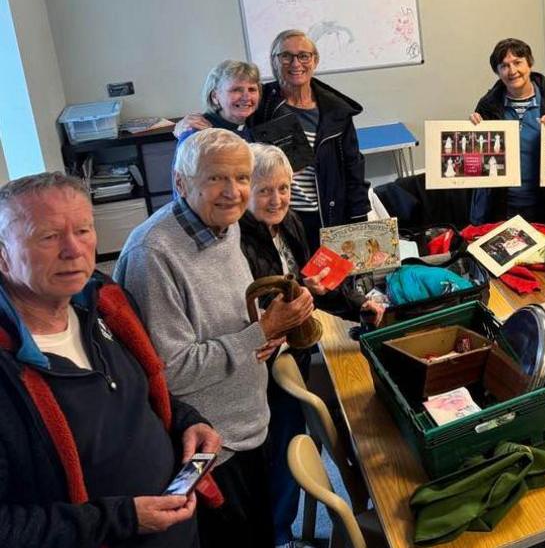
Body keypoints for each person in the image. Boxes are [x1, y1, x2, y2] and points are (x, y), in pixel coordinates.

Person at [115, 129, 316, 548]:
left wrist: (267, 328)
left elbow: (227, 326)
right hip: (210, 448)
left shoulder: (227, 228)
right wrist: (261, 332)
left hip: (251, 427)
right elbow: (170, 374)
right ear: (181, 182)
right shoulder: (152, 254)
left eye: (242, 178)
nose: (233, 192)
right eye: (216, 179)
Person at [0, 172, 222, 548]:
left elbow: (136, 395)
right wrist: (122, 519)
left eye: (84, 231)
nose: (74, 250)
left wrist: (188, 421)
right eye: (49, 236)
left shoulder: (104, 303)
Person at [237, 143, 384, 547]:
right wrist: (303, 291)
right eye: (264, 190)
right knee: (279, 453)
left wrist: (360, 307)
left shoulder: (291, 224)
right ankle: (278, 535)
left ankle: (280, 530)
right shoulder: (237, 245)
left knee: (287, 444)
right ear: (245, 192)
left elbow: (315, 286)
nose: (277, 199)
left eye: (283, 188)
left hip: (294, 351)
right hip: (262, 364)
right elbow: (266, 308)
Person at [249, 29, 371, 250]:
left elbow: (353, 168)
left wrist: (358, 218)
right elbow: (227, 114)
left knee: (329, 281)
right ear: (274, 62)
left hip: (326, 217)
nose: (296, 63)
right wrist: (190, 124)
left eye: (303, 56)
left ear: (315, 60)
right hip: (278, 217)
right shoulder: (261, 105)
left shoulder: (336, 112)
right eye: (286, 56)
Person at [470, 38, 545, 230]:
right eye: (504, 66)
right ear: (497, 71)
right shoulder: (487, 106)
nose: (512, 71)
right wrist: (473, 135)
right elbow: (478, 164)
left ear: (530, 63)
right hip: (502, 205)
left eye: (517, 62)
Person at [174, 59, 262, 144]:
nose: (246, 97)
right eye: (236, 90)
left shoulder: (258, 121)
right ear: (215, 96)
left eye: (252, 89)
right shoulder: (197, 132)